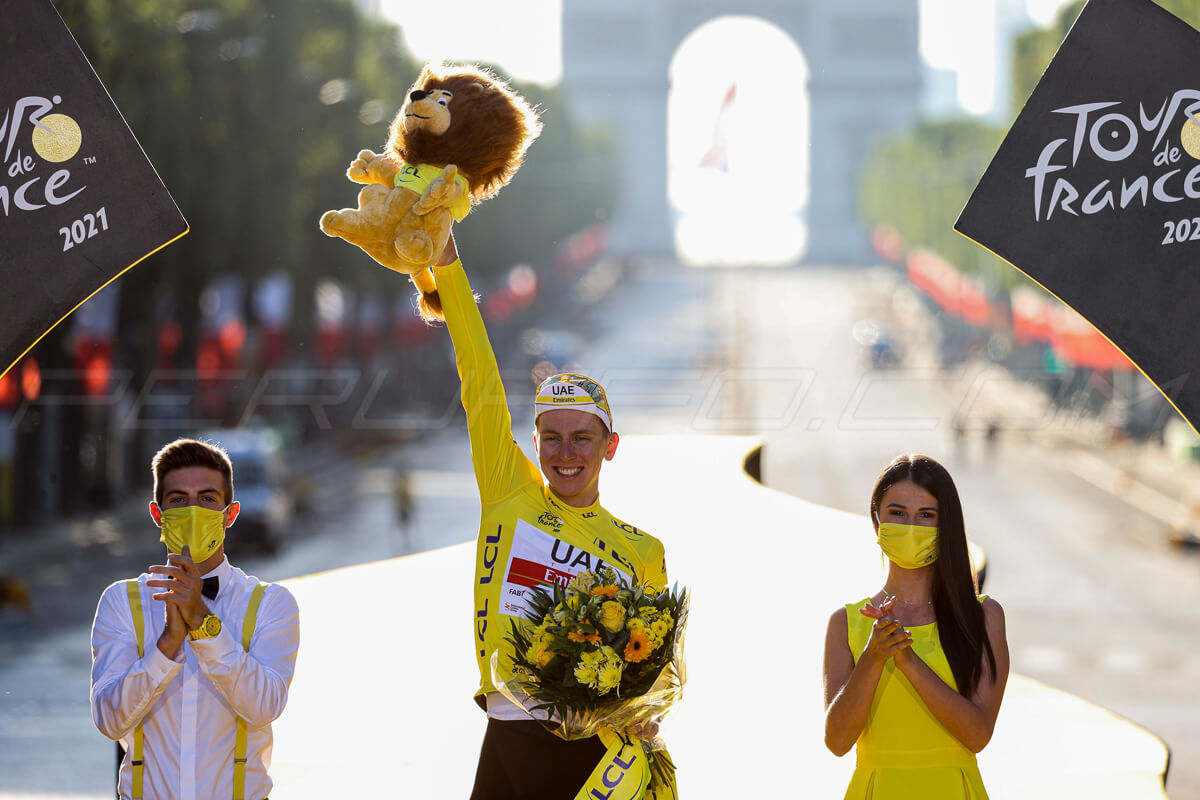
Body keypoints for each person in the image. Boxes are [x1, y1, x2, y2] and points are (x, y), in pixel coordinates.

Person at [422, 235, 668, 800]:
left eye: (583, 439)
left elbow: (650, 671)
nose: (566, 454)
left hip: (588, 755)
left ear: (610, 446)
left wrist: (647, 713)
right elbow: (478, 375)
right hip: (503, 732)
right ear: (532, 443)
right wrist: (447, 263)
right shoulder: (510, 492)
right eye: (551, 439)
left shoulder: (641, 551)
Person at [90, 438, 300, 800]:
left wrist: (205, 626)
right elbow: (110, 722)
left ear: (228, 514)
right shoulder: (121, 602)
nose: (192, 511)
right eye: (178, 501)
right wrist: (166, 646)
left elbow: (264, 706)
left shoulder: (271, 604)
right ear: (158, 515)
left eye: (206, 499)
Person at [823, 454, 1009, 799]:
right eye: (897, 513)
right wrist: (873, 658)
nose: (911, 526)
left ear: (946, 525)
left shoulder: (984, 617)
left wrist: (908, 662)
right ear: (877, 519)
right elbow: (836, 741)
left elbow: (978, 734)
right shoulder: (845, 624)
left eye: (926, 515)